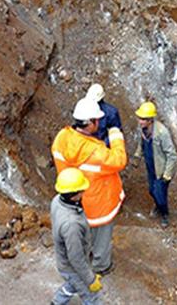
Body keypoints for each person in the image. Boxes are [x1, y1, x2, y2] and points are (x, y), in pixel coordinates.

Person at [52, 97, 127, 274]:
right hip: (98, 202)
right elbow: (119, 160)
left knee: (84, 231)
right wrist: (116, 136)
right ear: (91, 123)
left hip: (75, 198)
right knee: (102, 236)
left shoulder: (62, 138)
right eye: (97, 120)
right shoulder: (96, 152)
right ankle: (101, 265)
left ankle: (87, 254)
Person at [50, 168, 102, 305]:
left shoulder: (57, 200)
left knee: (72, 285)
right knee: (92, 296)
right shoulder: (71, 224)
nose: (84, 191)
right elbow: (76, 258)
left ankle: (57, 302)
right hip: (72, 268)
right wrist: (90, 279)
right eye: (82, 190)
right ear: (74, 195)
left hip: (64, 263)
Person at [132, 101, 177, 227]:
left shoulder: (161, 132)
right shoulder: (144, 130)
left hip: (161, 170)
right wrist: (137, 156)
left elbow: (172, 154)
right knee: (152, 191)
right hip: (151, 167)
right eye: (140, 118)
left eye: (143, 119)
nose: (140, 121)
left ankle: (164, 214)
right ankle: (158, 206)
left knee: (160, 194)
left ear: (150, 120)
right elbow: (141, 144)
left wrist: (167, 174)